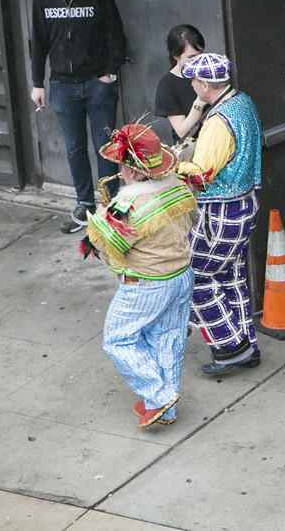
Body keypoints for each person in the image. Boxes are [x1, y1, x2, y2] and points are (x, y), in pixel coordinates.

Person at [81, 122, 197, 429]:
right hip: (182, 275)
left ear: (133, 171)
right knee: (168, 340)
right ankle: (165, 411)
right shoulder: (179, 185)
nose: (120, 173)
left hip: (147, 284)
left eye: (122, 167)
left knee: (118, 340)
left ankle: (158, 396)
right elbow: (191, 219)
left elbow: (109, 245)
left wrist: (102, 217)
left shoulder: (127, 206)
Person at [30, 0, 127, 234]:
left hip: (98, 83)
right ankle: (84, 205)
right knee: (74, 148)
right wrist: (37, 83)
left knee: (105, 148)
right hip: (62, 85)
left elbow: (116, 33)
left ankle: (109, 207)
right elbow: (38, 42)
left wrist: (110, 72)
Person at [176, 53, 263, 375]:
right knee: (230, 277)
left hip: (220, 212)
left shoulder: (218, 122)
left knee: (194, 277)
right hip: (245, 203)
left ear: (204, 85)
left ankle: (230, 347)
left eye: (194, 82)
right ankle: (247, 346)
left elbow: (202, 173)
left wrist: (171, 164)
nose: (192, 85)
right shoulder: (242, 102)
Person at [154, 24, 208, 146]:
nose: (198, 61)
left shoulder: (210, 70)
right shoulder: (167, 85)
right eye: (191, 57)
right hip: (194, 147)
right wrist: (199, 102)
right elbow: (183, 133)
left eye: (200, 54)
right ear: (175, 55)